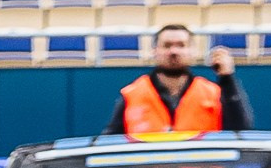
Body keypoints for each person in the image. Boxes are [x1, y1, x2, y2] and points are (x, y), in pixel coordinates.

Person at [102, 25, 254, 134]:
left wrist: (227, 79)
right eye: (167, 46)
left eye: (181, 45)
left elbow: (241, 132)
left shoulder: (212, 93)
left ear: (193, 51)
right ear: (155, 51)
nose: (173, 51)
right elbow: (110, 143)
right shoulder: (131, 95)